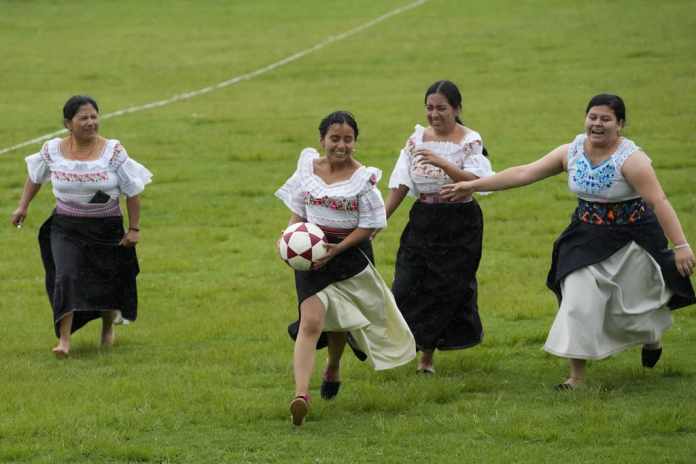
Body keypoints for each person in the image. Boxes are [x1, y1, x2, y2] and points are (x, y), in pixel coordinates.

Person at [441, 94, 696, 389]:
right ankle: (576, 378)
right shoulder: (571, 151)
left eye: (605, 119)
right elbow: (525, 172)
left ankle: (651, 337)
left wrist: (681, 246)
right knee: (577, 301)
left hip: (633, 238)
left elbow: (658, 200)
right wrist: (472, 185)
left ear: (620, 125)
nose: (597, 124)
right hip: (586, 237)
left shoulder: (631, 159)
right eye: (593, 117)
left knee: (636, 305)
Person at [275, 111, 416, 426]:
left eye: (348, 139)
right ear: (322, 139)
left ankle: (333, 366)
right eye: (334, 138)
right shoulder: (307, 170)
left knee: (340, 321)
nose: (341, 145)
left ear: (355, 142)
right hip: (311, 256)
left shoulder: (363, 179)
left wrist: (336, 248)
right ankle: (301, 396)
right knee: (311, 322)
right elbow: (297, 212)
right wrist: (289, 241)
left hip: (349, 257)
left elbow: (369, 226)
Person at [10, 95, 152, 358]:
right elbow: (35, 176)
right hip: (66, 227)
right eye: (83, 118)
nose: (90, 122)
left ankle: (108, 329)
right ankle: (64, 341)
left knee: (108, 278)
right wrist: (23, 206)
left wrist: (134, 228)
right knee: (66, 275)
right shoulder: (52, 150)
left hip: (106, 226)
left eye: (94, 117)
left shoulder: (114, 151)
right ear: (68, 123)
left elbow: (132, 190)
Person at [383, 80, 494, 374]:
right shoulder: (416, 139)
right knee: (405, 285)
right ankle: (400, 345)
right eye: (429, 108)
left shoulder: (470, 141)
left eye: (441, 108)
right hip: (423, 220)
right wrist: (378, 220)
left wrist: (443, 163)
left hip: (460, 223)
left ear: (456, 109)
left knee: (444, 289)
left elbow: (475, 181)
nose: (434, 114)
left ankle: (426, 358)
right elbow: (401, 183)